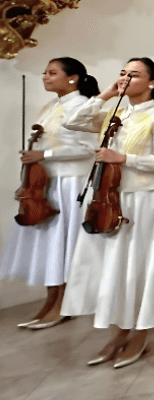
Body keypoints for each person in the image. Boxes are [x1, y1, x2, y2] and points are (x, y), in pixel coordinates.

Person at [62, 57, 154, 368]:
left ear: (153, 82)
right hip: (108, 200)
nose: (127, 78)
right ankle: (118, 335)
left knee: (140, 270)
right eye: (123, 73)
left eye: (135, 74)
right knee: (113, 271)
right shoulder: (114, 113)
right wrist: (105, 94)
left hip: (142, 201)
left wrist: (123, 158)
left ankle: (141, 335)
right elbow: (71, 120)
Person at [1, 58, 98, 329]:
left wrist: (45, 154)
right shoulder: (51, 107)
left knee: (64, 245)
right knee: (49, 247)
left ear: (73, 78)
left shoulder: (84, 107)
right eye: (44, 72)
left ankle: (65, 303)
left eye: (52, 73)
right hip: (46, 185)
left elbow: (89, 149)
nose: (45, 77)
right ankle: (51, 300)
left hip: (70, 184)